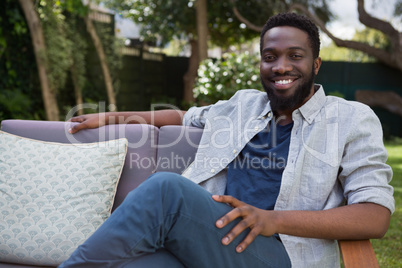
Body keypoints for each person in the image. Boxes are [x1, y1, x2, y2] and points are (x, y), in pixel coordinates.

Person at [60, 13, 394, 268]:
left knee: (166, 189)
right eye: (270, 56)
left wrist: (272, 220)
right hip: (215, 237)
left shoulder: (350, 119)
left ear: (316, 64)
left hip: (282, 253)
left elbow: (374, 215)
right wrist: (111, 117)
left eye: (295, 56)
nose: (281, 66)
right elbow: (182, 116)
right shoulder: (243, 105)